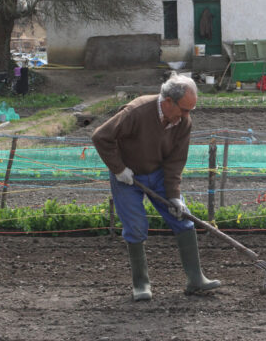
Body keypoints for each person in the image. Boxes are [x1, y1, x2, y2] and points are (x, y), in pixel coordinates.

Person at [92, 73, 220, 301]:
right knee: (135, 225)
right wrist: (119, 169)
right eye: (184, 109)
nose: (187, 116)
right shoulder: (137, 112)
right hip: (127, 177)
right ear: (168, 101)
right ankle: (141, 284)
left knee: (182, 217)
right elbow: (101, 136)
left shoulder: (183, 123)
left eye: (191, 110)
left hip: (159, 174)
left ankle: (195, 278)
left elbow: (175, 162)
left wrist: (174, 196)